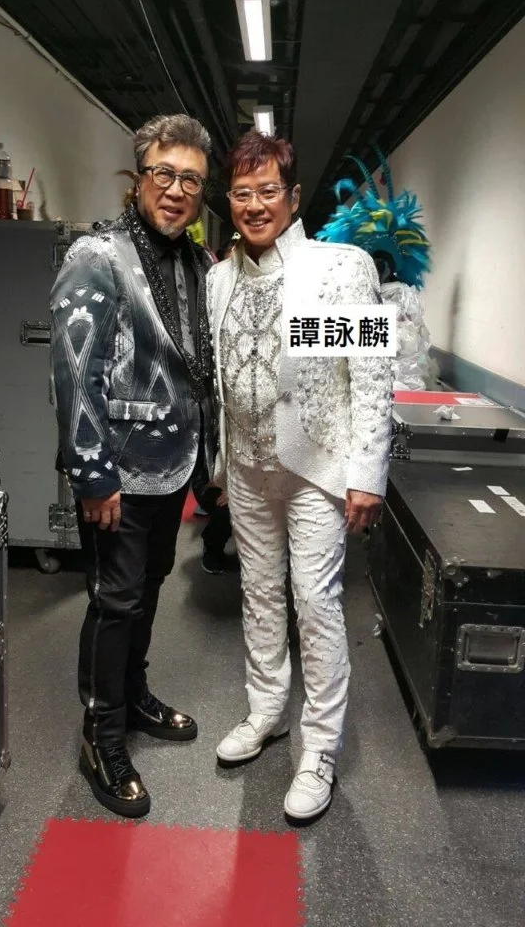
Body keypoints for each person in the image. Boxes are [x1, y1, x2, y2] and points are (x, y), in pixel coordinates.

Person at [207, 131, 393, 821]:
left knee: (314, 603)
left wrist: (367, 472)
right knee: (259, 595)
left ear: (291, 196)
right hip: (247, 466)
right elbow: (223, 378)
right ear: (229, 200)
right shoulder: (219, 279)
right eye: (242, 192)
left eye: (267, 191)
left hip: (316, 466)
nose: (255, 205)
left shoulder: (336, 268)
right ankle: (266, 711)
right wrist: (221, 462)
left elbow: (368, 376)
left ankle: (319, 747)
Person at [50, 114, 215, 818]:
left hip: (173, 464)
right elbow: (74, 369)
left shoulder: (195, 263)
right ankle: (102, 734)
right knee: (114, 601)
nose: (177, 190)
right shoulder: (98, 255)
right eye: (165, 174)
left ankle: (133, 693)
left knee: (146, 590)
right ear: (138, 176)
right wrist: (91, 473)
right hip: (116, 471)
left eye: (192, 181)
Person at [316, 148, 436, 391]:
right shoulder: (348, 296)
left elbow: (411, 351)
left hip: (398, 388)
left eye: (382, 262)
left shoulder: (402, 296)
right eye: (372, 262)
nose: (377, 269)